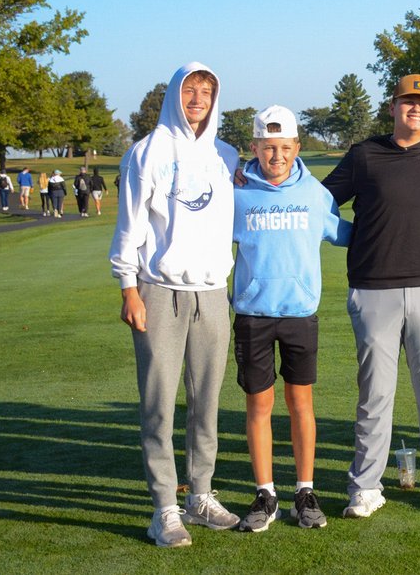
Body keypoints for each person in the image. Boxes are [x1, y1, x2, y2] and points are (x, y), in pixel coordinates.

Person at [110, 63, 240, 547]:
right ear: (174, 94)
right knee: (158, 404)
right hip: (158, 290)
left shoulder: (225, 156)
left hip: (212, 292)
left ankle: (200, 497)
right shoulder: (146, 153)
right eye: (189, 89)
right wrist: (128, 288)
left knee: (206, 403)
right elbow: (129, 226)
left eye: (206, 91)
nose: (198, 98)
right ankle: (164, 508)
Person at [322, 74, 420, 518]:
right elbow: (319, 201)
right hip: (373, 290)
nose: (415, 109)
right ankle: (366, 487)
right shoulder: (364, 155)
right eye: (407, 101)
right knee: (375, 397)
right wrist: (351, 235)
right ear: (393, 107)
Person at [232, 105, 352, 532]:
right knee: (258, 405)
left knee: (301, 403)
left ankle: (305, 490)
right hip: (252, 314)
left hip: (300, 313)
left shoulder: (314, 193)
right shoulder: (237, 193)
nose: (277, 156)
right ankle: (266, 493)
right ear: (254, 148)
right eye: (268, 147)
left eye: (284, 147)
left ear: (297, 147)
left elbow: (344, 233)